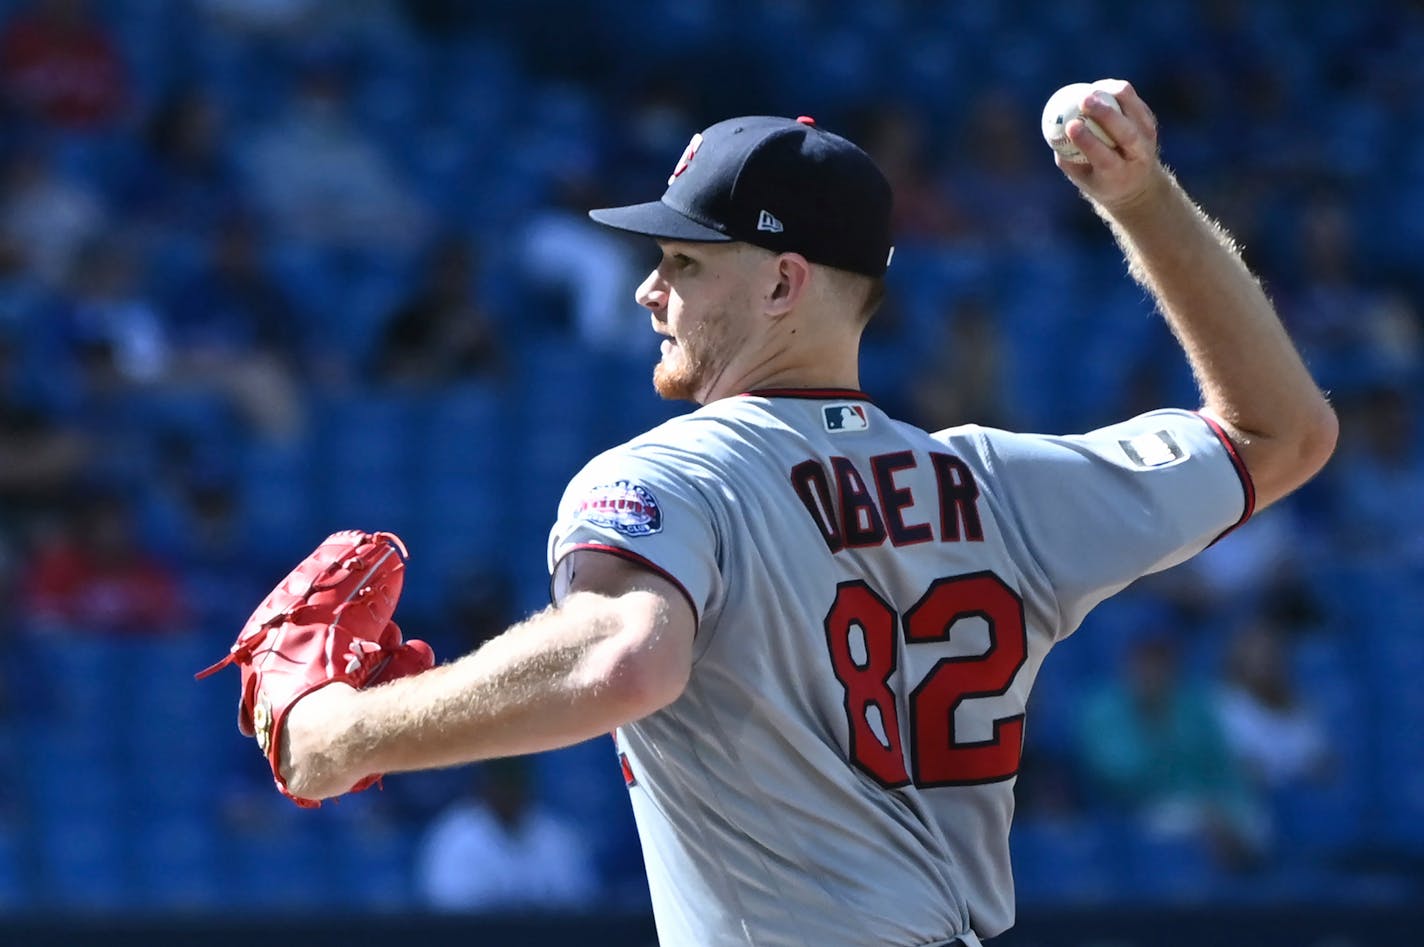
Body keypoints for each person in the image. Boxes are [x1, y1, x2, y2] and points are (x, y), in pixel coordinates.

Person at [272, 82, 1337, 945]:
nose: (649, 290)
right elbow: (1281, 435)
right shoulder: (1002, 485)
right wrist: (1141, 199)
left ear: (784, 284)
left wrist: (337, 732)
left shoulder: (672, 474)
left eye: (683, 262)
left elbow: (624, 664)